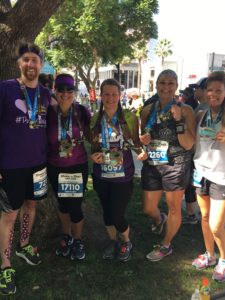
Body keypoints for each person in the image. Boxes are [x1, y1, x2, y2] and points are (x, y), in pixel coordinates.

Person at [0, 43, 51, 295]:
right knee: (9, 214)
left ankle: (24, 244)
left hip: (37, 165)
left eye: (35, 60)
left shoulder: (45, 94)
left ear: (41, 64)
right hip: (10, 166)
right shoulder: (5, 89)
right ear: (19, 63)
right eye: (26, 60)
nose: (31, 64)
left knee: (32, 205)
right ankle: (5, 264)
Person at [140, 69, 196, 261]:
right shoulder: (148, 110)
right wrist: (144, 144)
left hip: (176, 164)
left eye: (170, 83)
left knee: (174, 207)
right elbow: (143, 139)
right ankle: (159, 219)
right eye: (162, 83)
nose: (166, 87)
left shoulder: (186, 110)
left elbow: (189, 143)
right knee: (148, 208)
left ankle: (166, 245)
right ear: (156, 86)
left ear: (176, 86)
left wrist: (179, 120)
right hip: (154, 163)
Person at [90, 78, 146, 262]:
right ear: (101, 95)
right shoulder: (94, 119)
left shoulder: (130, 117)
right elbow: (94, 146)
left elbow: (135, 143)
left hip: (123, 175)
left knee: (116, 213)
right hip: (101, 174)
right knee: (107, 212)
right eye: (106, 94)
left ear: (120, 96)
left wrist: (141, 152)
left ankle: (127, 241)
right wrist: (94, 156)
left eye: (114, 94)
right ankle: (113, 241)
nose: (110, 98)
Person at [47, 73, 91, 261]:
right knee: (63, 204)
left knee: (75, 206)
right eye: (61, 90)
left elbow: (92, 135)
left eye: (69, 90)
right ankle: (67, 236)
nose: (65, 94)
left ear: (74, 92)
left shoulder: (81, 111)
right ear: (55, 91)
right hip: (55, 166)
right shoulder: (47, 113)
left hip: (77, 166)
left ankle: (78, 240)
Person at [191, 71, 225, 282]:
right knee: (204, 218)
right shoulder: (201, 112)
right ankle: (210, 255)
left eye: (219, 90)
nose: (213, 94)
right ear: (204, 92)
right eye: (210, 90)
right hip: (200, 172)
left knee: (216, 224)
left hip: (222, 176)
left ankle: (223, 259)